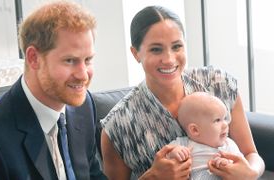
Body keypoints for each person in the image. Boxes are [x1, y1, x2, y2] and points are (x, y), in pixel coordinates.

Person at [101, 5, 265, 180]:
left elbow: (251, 153)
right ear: (136, 54)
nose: (169, 59)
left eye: (177, 46)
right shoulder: (118, 126)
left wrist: (251, 172)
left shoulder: (219, 84)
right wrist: (153, 177)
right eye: (156, 49)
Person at [0, 1, 106, 180]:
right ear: (34, 58)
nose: (83, 75)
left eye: (88, 60)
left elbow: (93, 175)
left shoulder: (83, 107)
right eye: (70, 61)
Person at [167, 92, 243, 179]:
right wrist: (174, 153)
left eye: (225, 118)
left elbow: (240, 167)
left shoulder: (229, 145)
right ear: (195, 130)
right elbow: (165, 157)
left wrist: (227, 164)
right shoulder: (183, 144)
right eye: (217, 120)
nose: (225, 124)